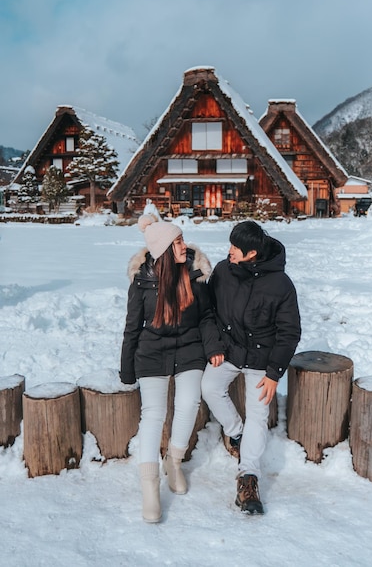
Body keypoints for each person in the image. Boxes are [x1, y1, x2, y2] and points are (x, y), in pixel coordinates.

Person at [119, 214, 224, 524]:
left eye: (182, 239)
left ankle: (174, 461)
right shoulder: (143, 280)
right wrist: (127, 369)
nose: (184, 245)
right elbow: (131, 327)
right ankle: (149, 488)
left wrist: (213, 347)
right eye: (177, 242)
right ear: (164, 250)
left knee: (189, 401)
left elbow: (206, 317)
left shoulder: (194, 272)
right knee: (153, 415)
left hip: (189, 349)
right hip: (151, 353)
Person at [201, 220, 301, 515]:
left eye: (236, 248)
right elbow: (207, 312)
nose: (229, 251)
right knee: (210, 387)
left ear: (252, 253)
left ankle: (249, 478)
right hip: (229, 351)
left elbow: (289, 332)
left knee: (259, 413)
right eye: (230, 244)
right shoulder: (222, 271)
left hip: (262, 360)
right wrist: (214, 346)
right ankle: (236, 433)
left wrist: (274, 374)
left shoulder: (281, 284)